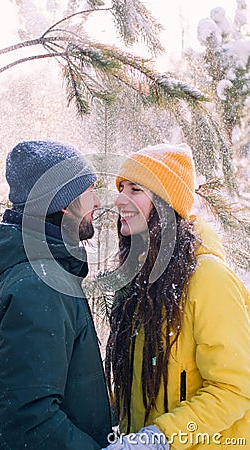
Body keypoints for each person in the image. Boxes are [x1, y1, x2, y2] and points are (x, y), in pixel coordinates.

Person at [0, 140, 112, 450]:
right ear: (62, 201)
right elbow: (31, 421)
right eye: (88, 190)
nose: (97, 202)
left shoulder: (25, 271)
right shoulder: (39, 284)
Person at [104, 143, 250, 450]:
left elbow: (234, 388)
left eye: (135, 189)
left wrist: (162, 437)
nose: (119, 199)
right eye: (121, 188)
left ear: (164, 204)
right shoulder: (142, 281)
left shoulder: (208, 278)